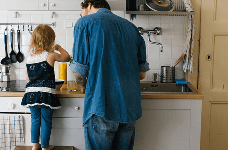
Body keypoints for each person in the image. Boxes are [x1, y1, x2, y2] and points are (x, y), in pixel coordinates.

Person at [70, 0, 149, 150]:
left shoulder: (84, 23)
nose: (81, 15)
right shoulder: (131, 27)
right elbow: (142, 74)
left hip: (102, 107)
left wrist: (83, 87)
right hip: (129, 110)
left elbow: (79, 71)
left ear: (89, 5)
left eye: (82, 11)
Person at [21, 24, 71, 150]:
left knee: (35, 120)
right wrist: (59, 48)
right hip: (46, 95)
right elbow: (67, 57)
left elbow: (27, 78)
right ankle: (45, 146)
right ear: (50, 40)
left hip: (31, 95)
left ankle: (34, 145)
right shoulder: (50, 55)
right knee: (46, 121)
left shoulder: (29, 58)